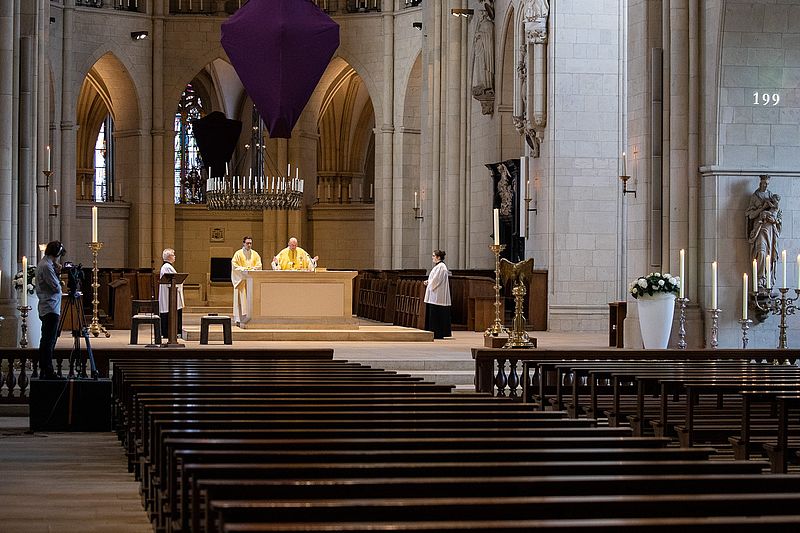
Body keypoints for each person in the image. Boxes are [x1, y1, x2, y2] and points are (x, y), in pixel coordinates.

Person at [746, 174, 781, 289]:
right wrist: (762, 208)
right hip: (759, 229)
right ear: (760, 183)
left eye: (767, 183)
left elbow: (778, 215)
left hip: (770, 230)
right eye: (764, 183)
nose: (765, 185)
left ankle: (767, 278)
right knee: (761, 252)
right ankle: (760, 278)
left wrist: (774, 220)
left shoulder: (771, 196)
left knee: (769, 255)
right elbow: (750, 215)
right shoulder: (755, 197)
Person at [35, 241, 65, 379]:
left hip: (48, 306)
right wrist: (58, 276)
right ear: (57, 253)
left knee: (48, 338)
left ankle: (46, 368)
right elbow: (56, 287)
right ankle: (47, 369)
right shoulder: (46, 266)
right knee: (49, 339)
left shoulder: (45, 264)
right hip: (50, 307)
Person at [231, 236, 262, 326]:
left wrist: (251, 270)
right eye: (247, 243)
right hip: (241, 281)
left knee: (251, 300)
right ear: (243, 243)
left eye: (250, 243)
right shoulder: (238, 254)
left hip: (251, 282)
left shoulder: (255, 254)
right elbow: (234, 266)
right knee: (241, 300)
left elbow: (259, 265)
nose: (249, 245)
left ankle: (251, 319)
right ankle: (239, 319)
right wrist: (244, 270)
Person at [423, 249, 452, 339]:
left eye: (433, 256)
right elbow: (434, 279)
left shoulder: (441, 267)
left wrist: (429, 284)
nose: (432, 258)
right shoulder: (438, 266)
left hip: (438, 296)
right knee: (433, 314)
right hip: (435, 295)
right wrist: (428, 282)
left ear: (438, 257)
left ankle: (438, 333)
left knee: (437, 314)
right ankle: (434, 331)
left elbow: (436, 281)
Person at [158, 248, 184, 340]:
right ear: (169, 257)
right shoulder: (167, 267)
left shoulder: (167, 267)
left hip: (169, 293)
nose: (175, 257)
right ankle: (169, 332)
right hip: (170, 295)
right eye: (173, 255)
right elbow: (174, 279)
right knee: (169, 311)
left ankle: (170, 332)